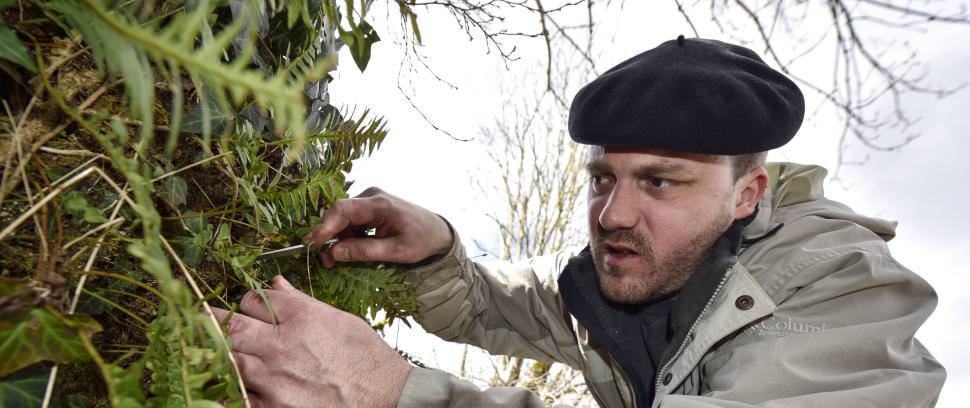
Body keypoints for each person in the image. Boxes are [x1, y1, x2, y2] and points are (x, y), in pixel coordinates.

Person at [211, 36, 946, 407]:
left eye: (660, 181)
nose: (613, 214)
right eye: (603, 178)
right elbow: (496, 304)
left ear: (747, 193)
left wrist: (394, 392)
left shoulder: (843, 294)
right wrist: (436, 252)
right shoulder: (646, 269)